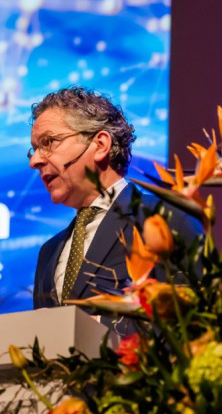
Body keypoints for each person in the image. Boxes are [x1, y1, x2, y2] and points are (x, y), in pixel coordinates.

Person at [28, 87, 202, 325]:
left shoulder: (165, 217)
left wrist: (100, 327)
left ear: (100, 145)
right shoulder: (48, 253)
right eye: (34, 149)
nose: (35, 161)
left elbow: (194, 320)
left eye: (48, 142)